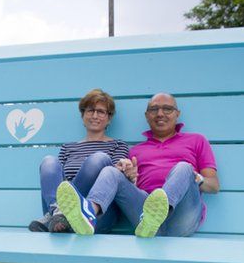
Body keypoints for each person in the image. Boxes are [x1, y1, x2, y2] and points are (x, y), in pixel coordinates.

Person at [56, 93, 220, 238]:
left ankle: (159, 214)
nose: (160, 113)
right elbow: (129, 190)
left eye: (167, 109)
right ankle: (89, 213)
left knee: (184, 168)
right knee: (111, 172)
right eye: (154, 109)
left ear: (177, 114)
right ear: (147, 115)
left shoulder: (196, 140)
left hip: (182, 217)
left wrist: (195, 177)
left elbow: (214, 186)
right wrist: (130, 177)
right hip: (143, 218)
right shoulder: (135, 151)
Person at [28, 88, 130, 233]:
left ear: (109, 118)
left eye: (101, 112)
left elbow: (114, 179)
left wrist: (124, 170)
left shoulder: (118, 146)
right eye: (90, 110)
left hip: (97, 214)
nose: (95, 115)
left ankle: (62, 214)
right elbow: (57, 181)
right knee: (49, 161)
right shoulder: (67, 148)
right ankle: (59, 214)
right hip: (58, 216)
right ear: (83, 116)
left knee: (99, 159)